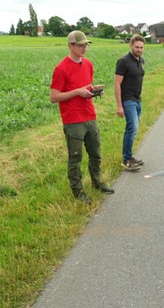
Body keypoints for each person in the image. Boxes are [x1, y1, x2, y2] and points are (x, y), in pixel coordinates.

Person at [50, 30, 114, 204]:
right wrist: (77, 92)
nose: (84, 48)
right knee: (75, 158)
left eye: (86, 44)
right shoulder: (61, 68)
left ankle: (97, 182)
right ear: (71, 45)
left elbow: (85, 87)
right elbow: (54, 97)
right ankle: (78, 192)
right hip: (73, 120)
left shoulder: (88, 64)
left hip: (90, 116)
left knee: (96, 154)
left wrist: (93, 91)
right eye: (80, 45)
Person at [114, 35, 146, 171]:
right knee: (131, 128)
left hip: (137, 100)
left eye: (141, 47)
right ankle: (126, 160)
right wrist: (119, 105)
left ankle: (130, 157)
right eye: (136, 47)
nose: (139, 49)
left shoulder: (140, 60)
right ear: (131, 46)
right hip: (128, 100)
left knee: (134, 129)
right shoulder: (123, 61)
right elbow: (116, 83)